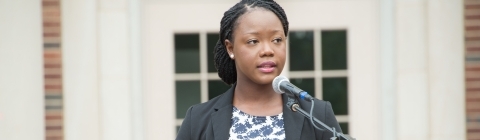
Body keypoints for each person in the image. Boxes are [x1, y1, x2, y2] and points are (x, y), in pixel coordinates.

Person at [176, 0, 342, 139]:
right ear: (230, 48)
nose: (268, 50)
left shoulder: (318, 115)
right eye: (253, 41)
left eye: (277, 40)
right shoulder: (197, 119)